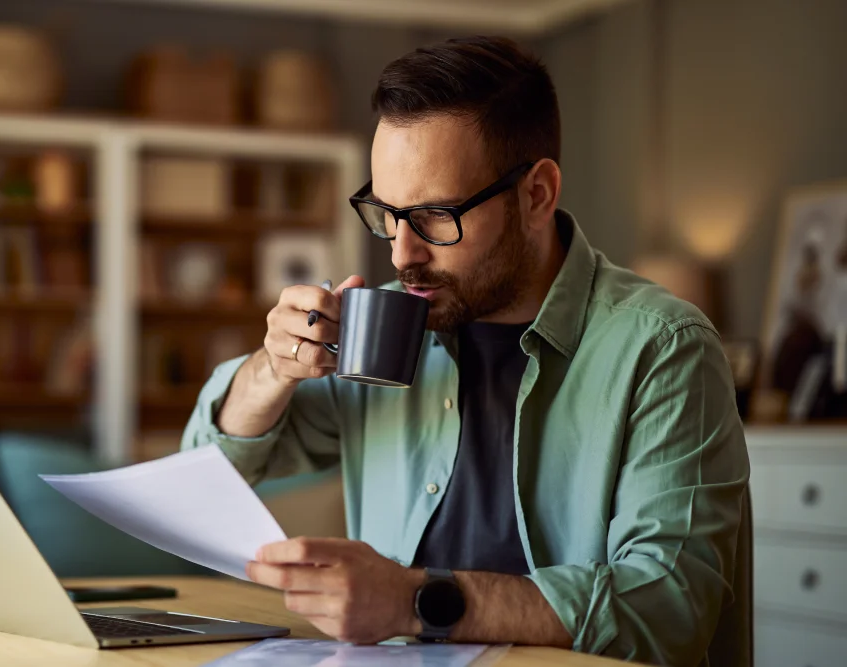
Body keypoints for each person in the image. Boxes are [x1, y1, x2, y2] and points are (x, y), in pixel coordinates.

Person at [181, 36, 749, 666]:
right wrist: (272, 370)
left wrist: (414, 601)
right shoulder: (387, 322)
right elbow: (204, 475)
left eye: (437, 217)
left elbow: (671, 608)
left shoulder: (662, 349)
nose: (401, 254)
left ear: (536, 194)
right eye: (387, 213)